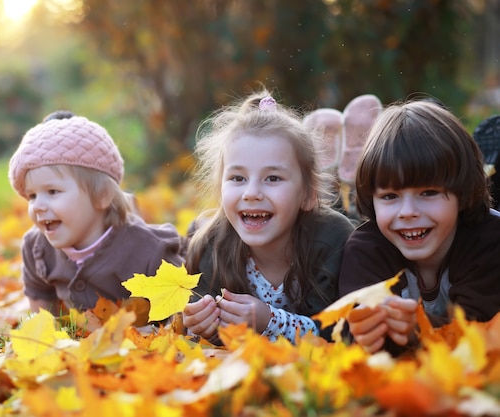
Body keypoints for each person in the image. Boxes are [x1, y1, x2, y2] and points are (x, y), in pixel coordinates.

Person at [182, 90, 355, 344]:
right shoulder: (211, 245)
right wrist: (201, 326)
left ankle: (353, 176)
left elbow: (340, 331)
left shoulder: (335, 240)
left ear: (308, 194)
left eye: (272, 178)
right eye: (238, 178)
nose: (251, 193)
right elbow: (199, 332)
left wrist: (271, 321)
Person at [339, 100, 500, 355]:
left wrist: (419, 328)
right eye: (390, 196)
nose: (408, 212)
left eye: (428, 192)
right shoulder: (366, 250)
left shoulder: (489, 240)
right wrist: (366, 331)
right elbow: (351, 333)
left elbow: (481, 332)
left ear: (463, 193)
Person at [8, 110, 184, 316]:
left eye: (52, 192)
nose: (38, 205)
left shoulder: (148, 251)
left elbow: (183, 304)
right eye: (32, 196)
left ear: (102, 195)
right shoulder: (37, 248)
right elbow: (39, 295)